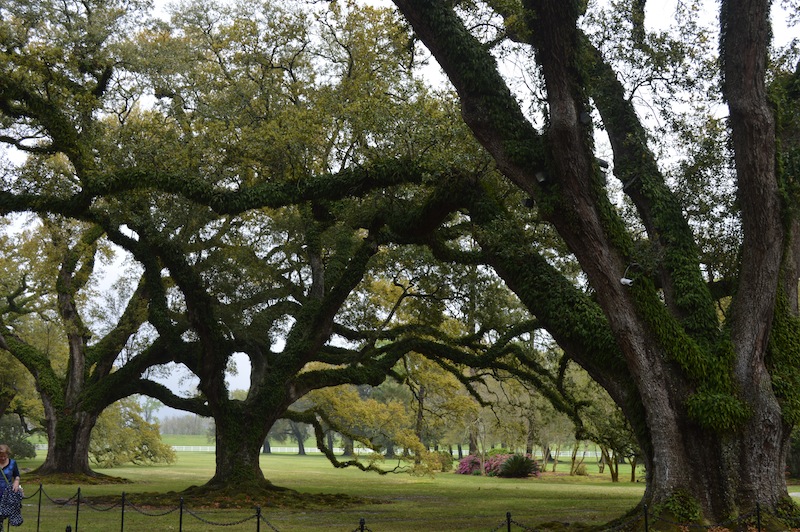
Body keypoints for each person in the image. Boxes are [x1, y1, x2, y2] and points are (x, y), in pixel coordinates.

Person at [0, 445, 21, 530]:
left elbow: (17, 475)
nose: (3, 458)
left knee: (2, 514)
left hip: (6, 494)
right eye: (1, 456)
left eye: (5, 456)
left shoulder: (13, 463)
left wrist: (16, 482)